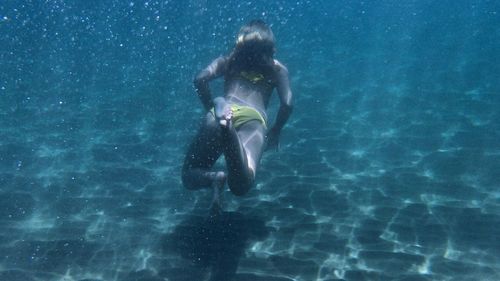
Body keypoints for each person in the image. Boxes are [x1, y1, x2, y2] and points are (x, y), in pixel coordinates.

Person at [182, 20, 293, 210]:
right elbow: (287, 103)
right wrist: (276, 130)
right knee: (241, 185)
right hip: (253, 118)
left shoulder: (228, 61)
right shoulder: (277, 69)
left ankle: (214, 178)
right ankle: (230, 131)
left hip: (224, 110)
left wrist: (209, 107)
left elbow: (199, 79)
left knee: (190, 175)